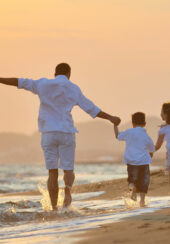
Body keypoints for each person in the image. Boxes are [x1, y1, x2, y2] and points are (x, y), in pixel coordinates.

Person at [0, 63, 121, 210]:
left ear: (54, 73)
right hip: (66, 132)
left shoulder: (43, 84)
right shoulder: (73, 88)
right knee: (68, 169)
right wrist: (110, 118)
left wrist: (0, 79)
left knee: (52, 171)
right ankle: (68, 190)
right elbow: (91, 109)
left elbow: (18, 82)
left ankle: (54, 208)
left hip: (48, 133)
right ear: (69, 74)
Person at [114, 112, 155, 207]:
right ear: (145, 124)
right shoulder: (146, 135)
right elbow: (152, 148)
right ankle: (142, 201)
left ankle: (133, 189)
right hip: (144, 162)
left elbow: (118, 136)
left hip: (131, 162)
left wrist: (115, 126)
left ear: (132, 123)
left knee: (132, 179)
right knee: (144, 181)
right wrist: (150, 155)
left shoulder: (129, 132)